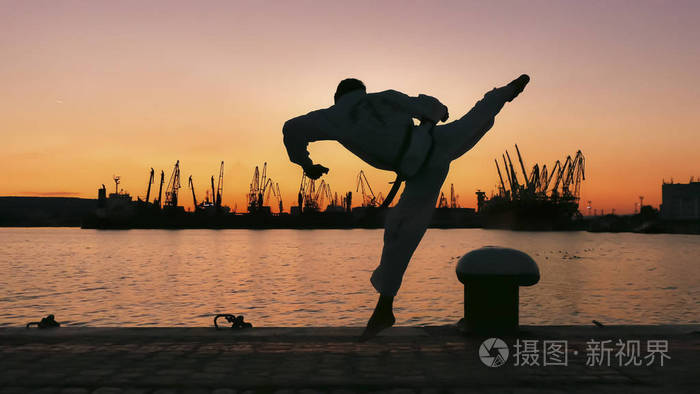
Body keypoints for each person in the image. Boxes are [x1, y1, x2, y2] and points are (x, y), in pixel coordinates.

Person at [282, 74, 530, 340]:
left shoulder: (330, 117)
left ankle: (385, 308)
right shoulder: (385, 97)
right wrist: (439, 111)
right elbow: (426, 105)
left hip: (421, 170)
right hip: (437, 141)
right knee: (476, 119)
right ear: (363, 91)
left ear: (337, 97)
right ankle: (503, 93)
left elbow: (291, 129)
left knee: (400, 235)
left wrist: (306, 165)